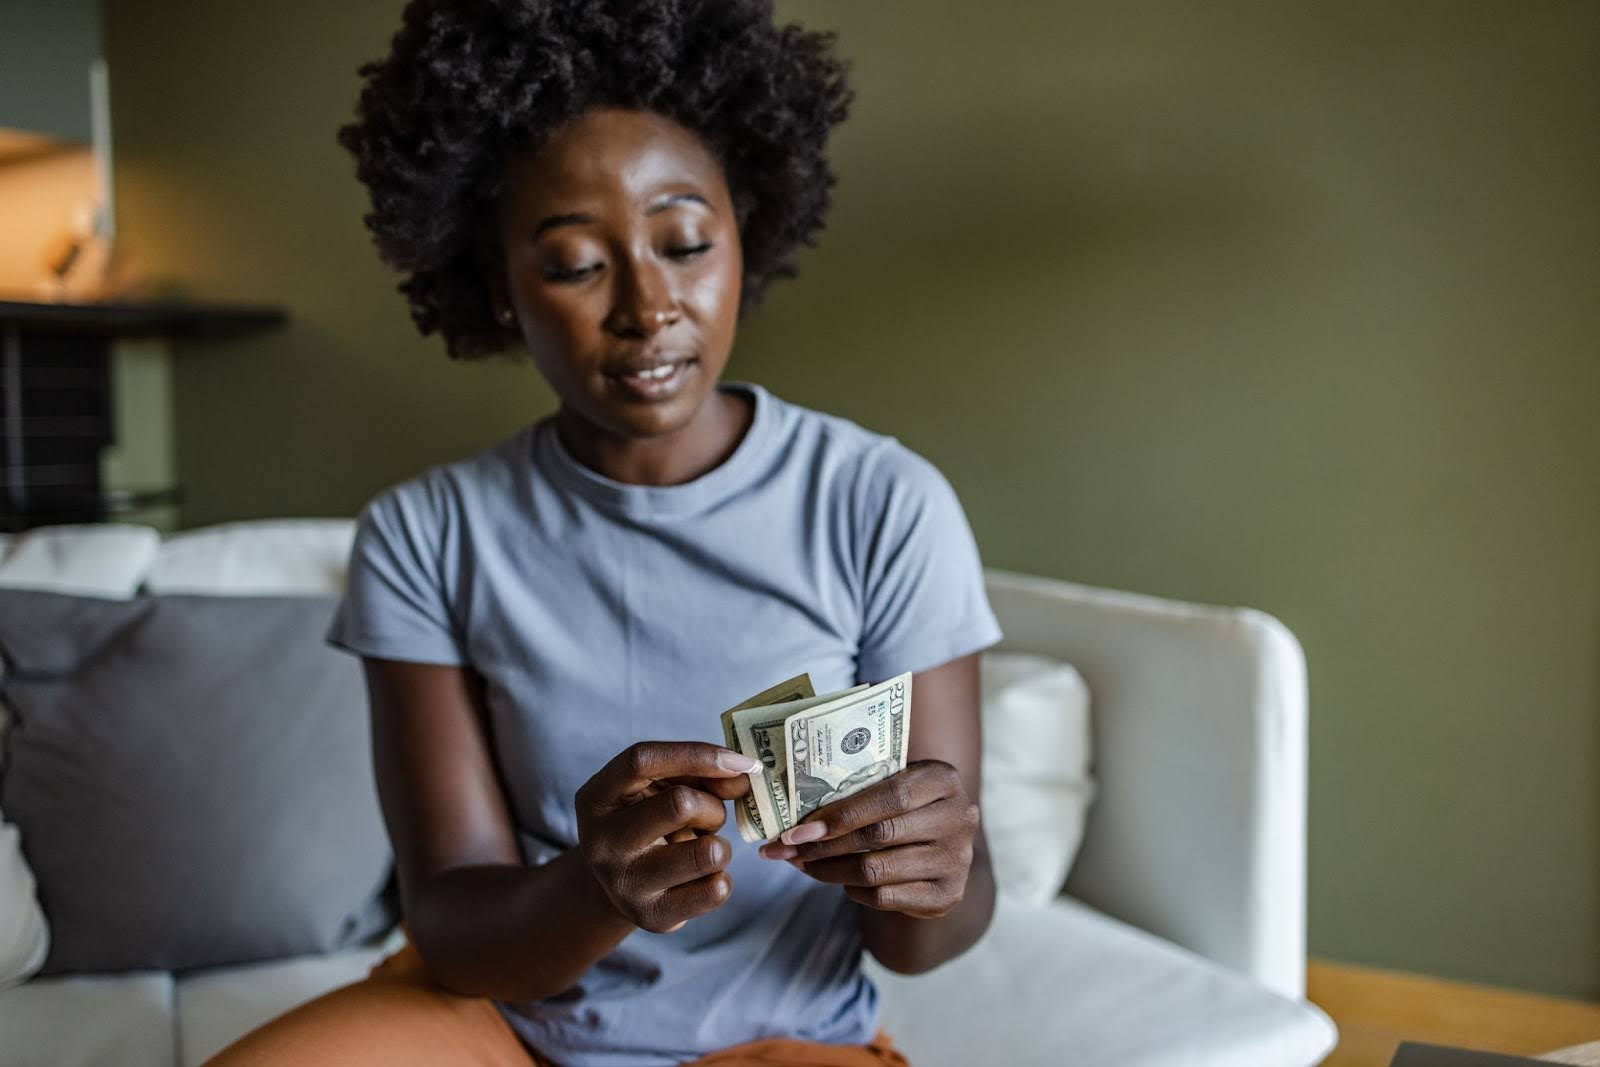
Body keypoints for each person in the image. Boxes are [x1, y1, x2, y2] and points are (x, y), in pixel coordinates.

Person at [209, 2, 1001, 1064]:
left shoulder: (881, 501)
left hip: (776, 1040)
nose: (648, 305)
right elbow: (449, 921)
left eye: (684, 243)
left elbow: (923, 934)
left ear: (746, 230)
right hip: (496, 1021)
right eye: (576, 264)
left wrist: (937, 868)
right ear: (497, 287)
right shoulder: (423, 533)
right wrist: (594, 888)